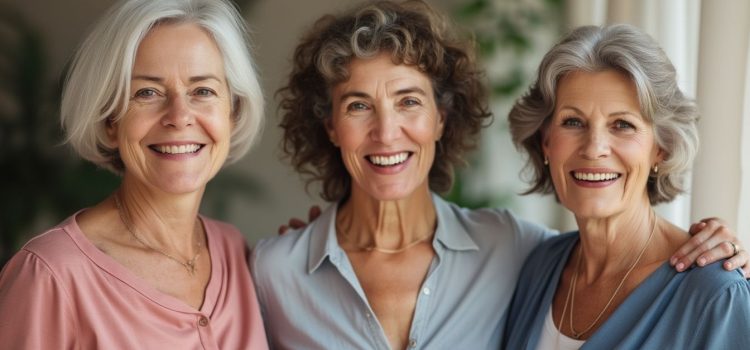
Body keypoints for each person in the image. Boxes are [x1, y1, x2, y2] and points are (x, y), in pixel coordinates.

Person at [253, 1, 746, 349]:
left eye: (409, 102)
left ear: (441, 119)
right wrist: (306, 250)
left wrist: (726, 251)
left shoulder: (507, 247)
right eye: (359, 106)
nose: (387, 132)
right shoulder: (276, 271)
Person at [0, 0, 268, 348]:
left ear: (232, 113)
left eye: (202, 91)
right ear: (110, 120)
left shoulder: (238, 252)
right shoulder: (51, 274)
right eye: (147, 92)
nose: (179, 115)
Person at [502, 24, 750, 349]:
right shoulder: (537, 267)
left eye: (622, 125)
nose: (594, 148)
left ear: (661, 147)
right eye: (573, 122)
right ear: (546, 142)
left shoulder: (714, 293)